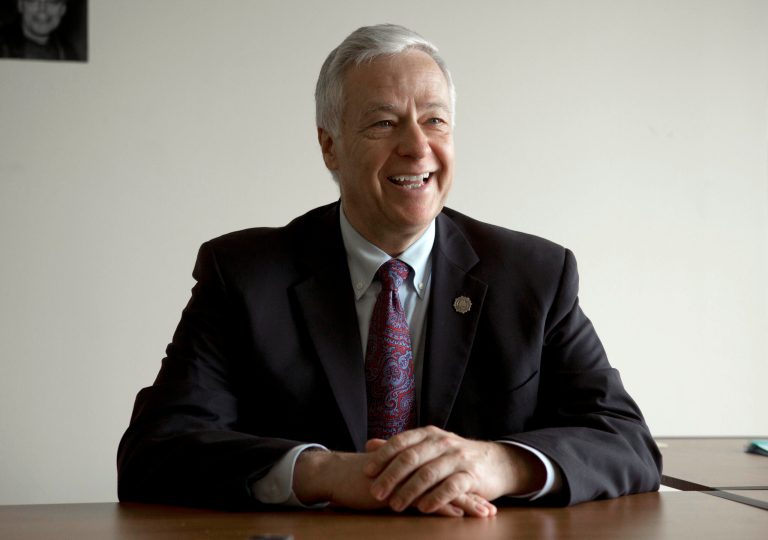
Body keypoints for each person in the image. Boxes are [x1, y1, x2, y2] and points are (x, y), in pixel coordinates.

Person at [117, 24, 662, 517]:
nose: (416, 146)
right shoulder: (244, 275)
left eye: (434, 121)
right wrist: (325, 473)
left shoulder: (535, 275)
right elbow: (155, 449)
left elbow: (628, 443)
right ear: (329, 146)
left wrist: (501, 464)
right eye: (383, 123)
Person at [0, 0, 73, 61]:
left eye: (52, 1)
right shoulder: (3, 49)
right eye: (33, 0)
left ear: (63, 9)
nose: (42, 9)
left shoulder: (68, 54)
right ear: (20, 5)